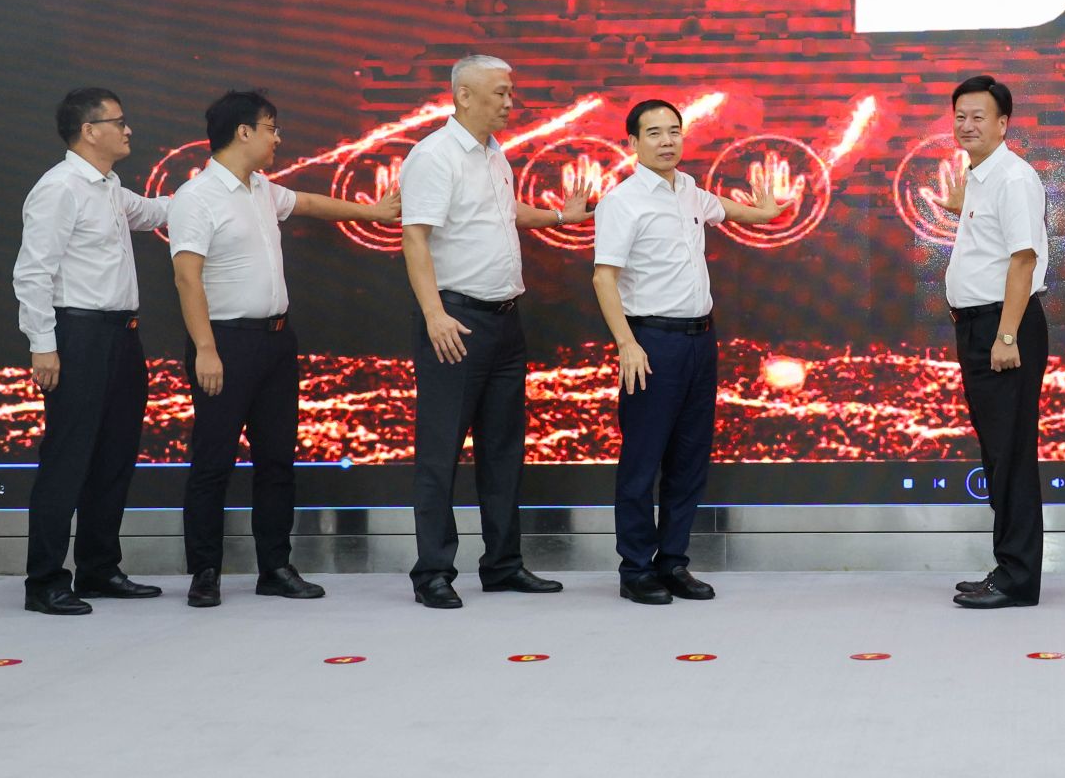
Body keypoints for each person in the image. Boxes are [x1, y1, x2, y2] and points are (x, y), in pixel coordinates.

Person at [168, 91, 401, 608]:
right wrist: (205, 349)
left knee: (276, 460)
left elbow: (311, 204)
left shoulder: (262, 189)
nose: (278, 138)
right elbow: (187, 278)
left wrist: (373, 211)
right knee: (213, 461)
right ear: (243, 132)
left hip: (276, 341)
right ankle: (205, 571)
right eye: (271, 127)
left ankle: (275, 566)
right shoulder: (196, 197)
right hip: (224, 342)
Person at [399, 54, 589, 609]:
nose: (510, 102)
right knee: (440, 453)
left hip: (505, 321)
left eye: (510, 92)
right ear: (463, 95)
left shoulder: (493, 152)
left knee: (504, 451)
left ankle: (503, 564)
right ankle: (433, 573)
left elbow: (505, 213)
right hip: (456, 321)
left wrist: (560, 218)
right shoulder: (434, 156)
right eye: (501, 92)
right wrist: (434, 314)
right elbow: (415, 238)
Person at [592, 99, 786, 605]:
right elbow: (604, 277)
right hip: (651, 342)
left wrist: (765, 212)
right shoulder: (623, 201)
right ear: (633, 143)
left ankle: (673, 562)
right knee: (643, 460)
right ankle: (636, 569)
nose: (667, 141)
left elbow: (727, 209)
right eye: (654, 133)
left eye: (674, 131)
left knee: (689, 459)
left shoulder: (690, 191)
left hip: (701, 340)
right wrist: (627, 344)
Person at [12, 88, 171, 615]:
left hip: (122, 336)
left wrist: (218, 188)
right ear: (89, 131)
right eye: (118, 122)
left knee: (114, 455)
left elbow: (154, 212)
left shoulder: (109, 187)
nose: (128, 130)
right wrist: (43, 345)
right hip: (77, 334)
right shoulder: (59, 188)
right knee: (68, 458)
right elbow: (32, 272)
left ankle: (99, 568)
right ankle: (45, 581)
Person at [940, 75, 1051, 610]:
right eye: (960, 116)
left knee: (1011, 454)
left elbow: (1023, 260)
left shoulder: (1013, 178)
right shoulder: (980, 176)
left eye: (979, 116)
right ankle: (1007, 567)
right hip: (980, 325)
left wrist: (1006, 334)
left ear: (1003, 123)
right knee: (998, 453)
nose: (967, 125)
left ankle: (1018, 578)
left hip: (1004, 328)